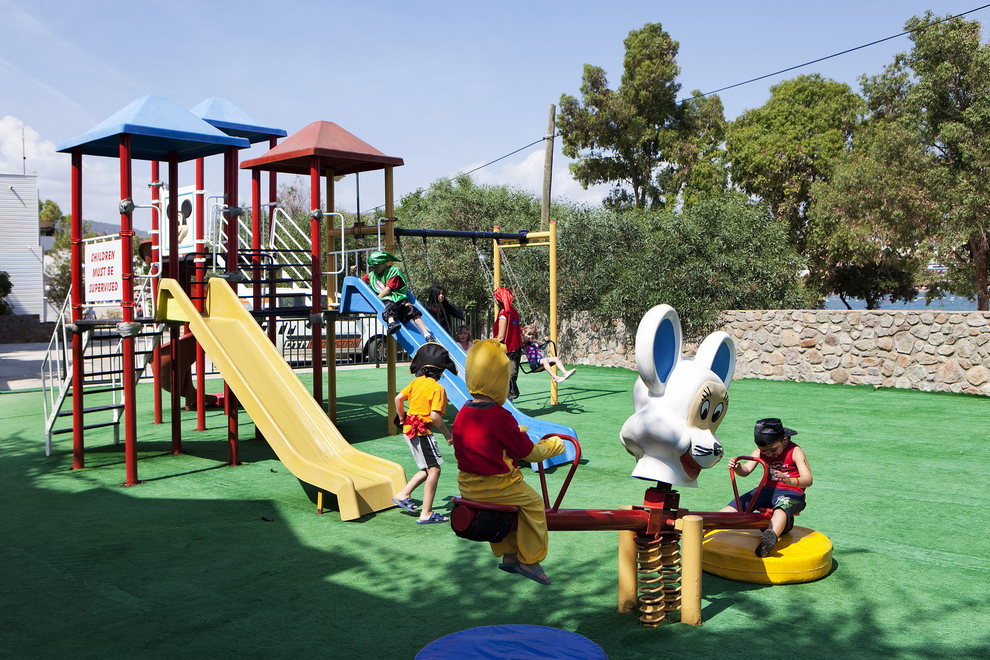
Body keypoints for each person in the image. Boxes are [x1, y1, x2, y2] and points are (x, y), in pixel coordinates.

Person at [452, 339, 565, 585]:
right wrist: (555, 445)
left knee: (510, 507)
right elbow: (529, 453)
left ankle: (510, 554)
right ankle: (530, 560)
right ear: (500, 380)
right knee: (533, 504)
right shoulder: (500, 417)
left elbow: (483, 444)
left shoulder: (462, 413)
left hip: (467, 486)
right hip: (496, 487)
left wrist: (513, 434)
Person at [720, 418, 813, 557]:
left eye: (773, 449)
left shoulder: (795, 451)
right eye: (764, 450)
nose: (769, 454)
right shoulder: (760, 451)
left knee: (781, 509)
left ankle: (770, 537)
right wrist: (738, 467)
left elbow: (808, 479)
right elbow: (746, 471)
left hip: (791, 492)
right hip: (767, 490)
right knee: (742, 503)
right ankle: (703, 527)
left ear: (784, 440)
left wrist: (790, 481)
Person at [392, 343, 457, 524]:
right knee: (434, 469)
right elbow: (435, 417)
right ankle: (426, 513)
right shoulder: (438, 389)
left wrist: (402, 417)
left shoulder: (416, 382)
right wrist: (448, 435)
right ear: (440, 372)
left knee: (427, 468)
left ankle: (403, 494)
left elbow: (398, 398)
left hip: (409, 430)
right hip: (421, 432)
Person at [361, 250, 434, 341]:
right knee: (389, 305)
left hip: (399, 301)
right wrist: (353, 273)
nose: (374, 269)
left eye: (376, 266)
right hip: (387, 302)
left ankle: (427, 334)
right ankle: (391, 322)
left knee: (412, 311)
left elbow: (388, 290)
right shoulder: (372, 275)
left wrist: (376, 299)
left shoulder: (393, 271)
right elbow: (360, 282)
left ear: (383, 263)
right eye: (372, 267)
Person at [492, 287, 522, 400]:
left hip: (507, 348)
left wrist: (490, 345)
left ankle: (511, 393)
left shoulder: (503, 314)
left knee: (505, 375)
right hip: (516, 347)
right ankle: (511, 393)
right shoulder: (514, 312)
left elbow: (501, 336)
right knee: (512, 373)